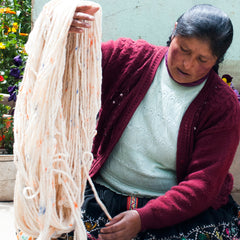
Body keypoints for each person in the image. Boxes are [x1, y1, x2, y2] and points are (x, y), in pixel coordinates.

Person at [66, 3, 240, 240]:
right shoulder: (129, 59)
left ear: (217, 59)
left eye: (203, 59)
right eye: (184, 49)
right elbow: (75, 65)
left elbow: (203, 184)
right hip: (103, 194)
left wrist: (143, 218)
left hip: (175, 210)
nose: (188, 64)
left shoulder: (222, 105)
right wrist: (65, 31)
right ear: (174, 32)